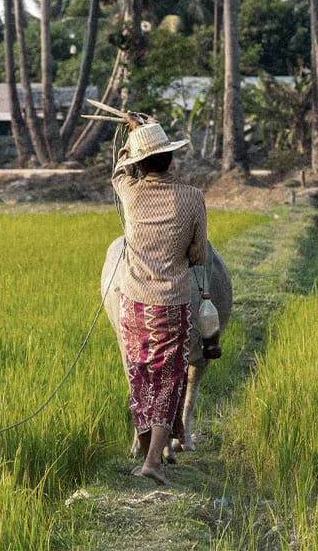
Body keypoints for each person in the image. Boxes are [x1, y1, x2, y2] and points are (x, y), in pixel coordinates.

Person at [111, 112, 207, 486]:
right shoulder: (192, 198)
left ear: (139, 162)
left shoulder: (130, 193)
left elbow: (119, 170)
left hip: (133, 303)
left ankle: (147, 446)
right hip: (172, 305)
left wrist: (133, 137)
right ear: (171, 157)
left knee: (140, 375)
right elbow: (198, 255)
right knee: (169, 380)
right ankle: (153, 461)